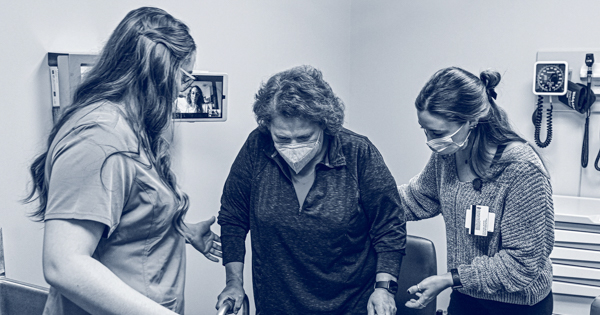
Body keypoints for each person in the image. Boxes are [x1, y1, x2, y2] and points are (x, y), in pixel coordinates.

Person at [24, 7, 221, 315]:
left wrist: (177, 228)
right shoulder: (98, 136)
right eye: (184, 77)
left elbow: (128, 215)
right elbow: (64, 263)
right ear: (157, 71)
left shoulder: (132, 128)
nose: (183, 89)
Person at [216, 65, 407, 315]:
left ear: (325, 124)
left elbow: (389, 225)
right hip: (276, 305)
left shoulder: (358, 153)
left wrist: (384, 288)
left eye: (305, 137)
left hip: (349, 305)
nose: (293, 146)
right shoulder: (257, 147)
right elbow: (233, 218)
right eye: (282, 138)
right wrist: (233, 283)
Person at [400, 67, 554, 314]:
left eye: (437, 132)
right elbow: (418, 198)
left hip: (517, 305)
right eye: (424, 130)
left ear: (472, 120)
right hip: (466, 295)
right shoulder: (448, 155)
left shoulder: (520, 168)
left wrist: (451, 278)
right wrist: (365, 200)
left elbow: (521, 264)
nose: (429, 139)